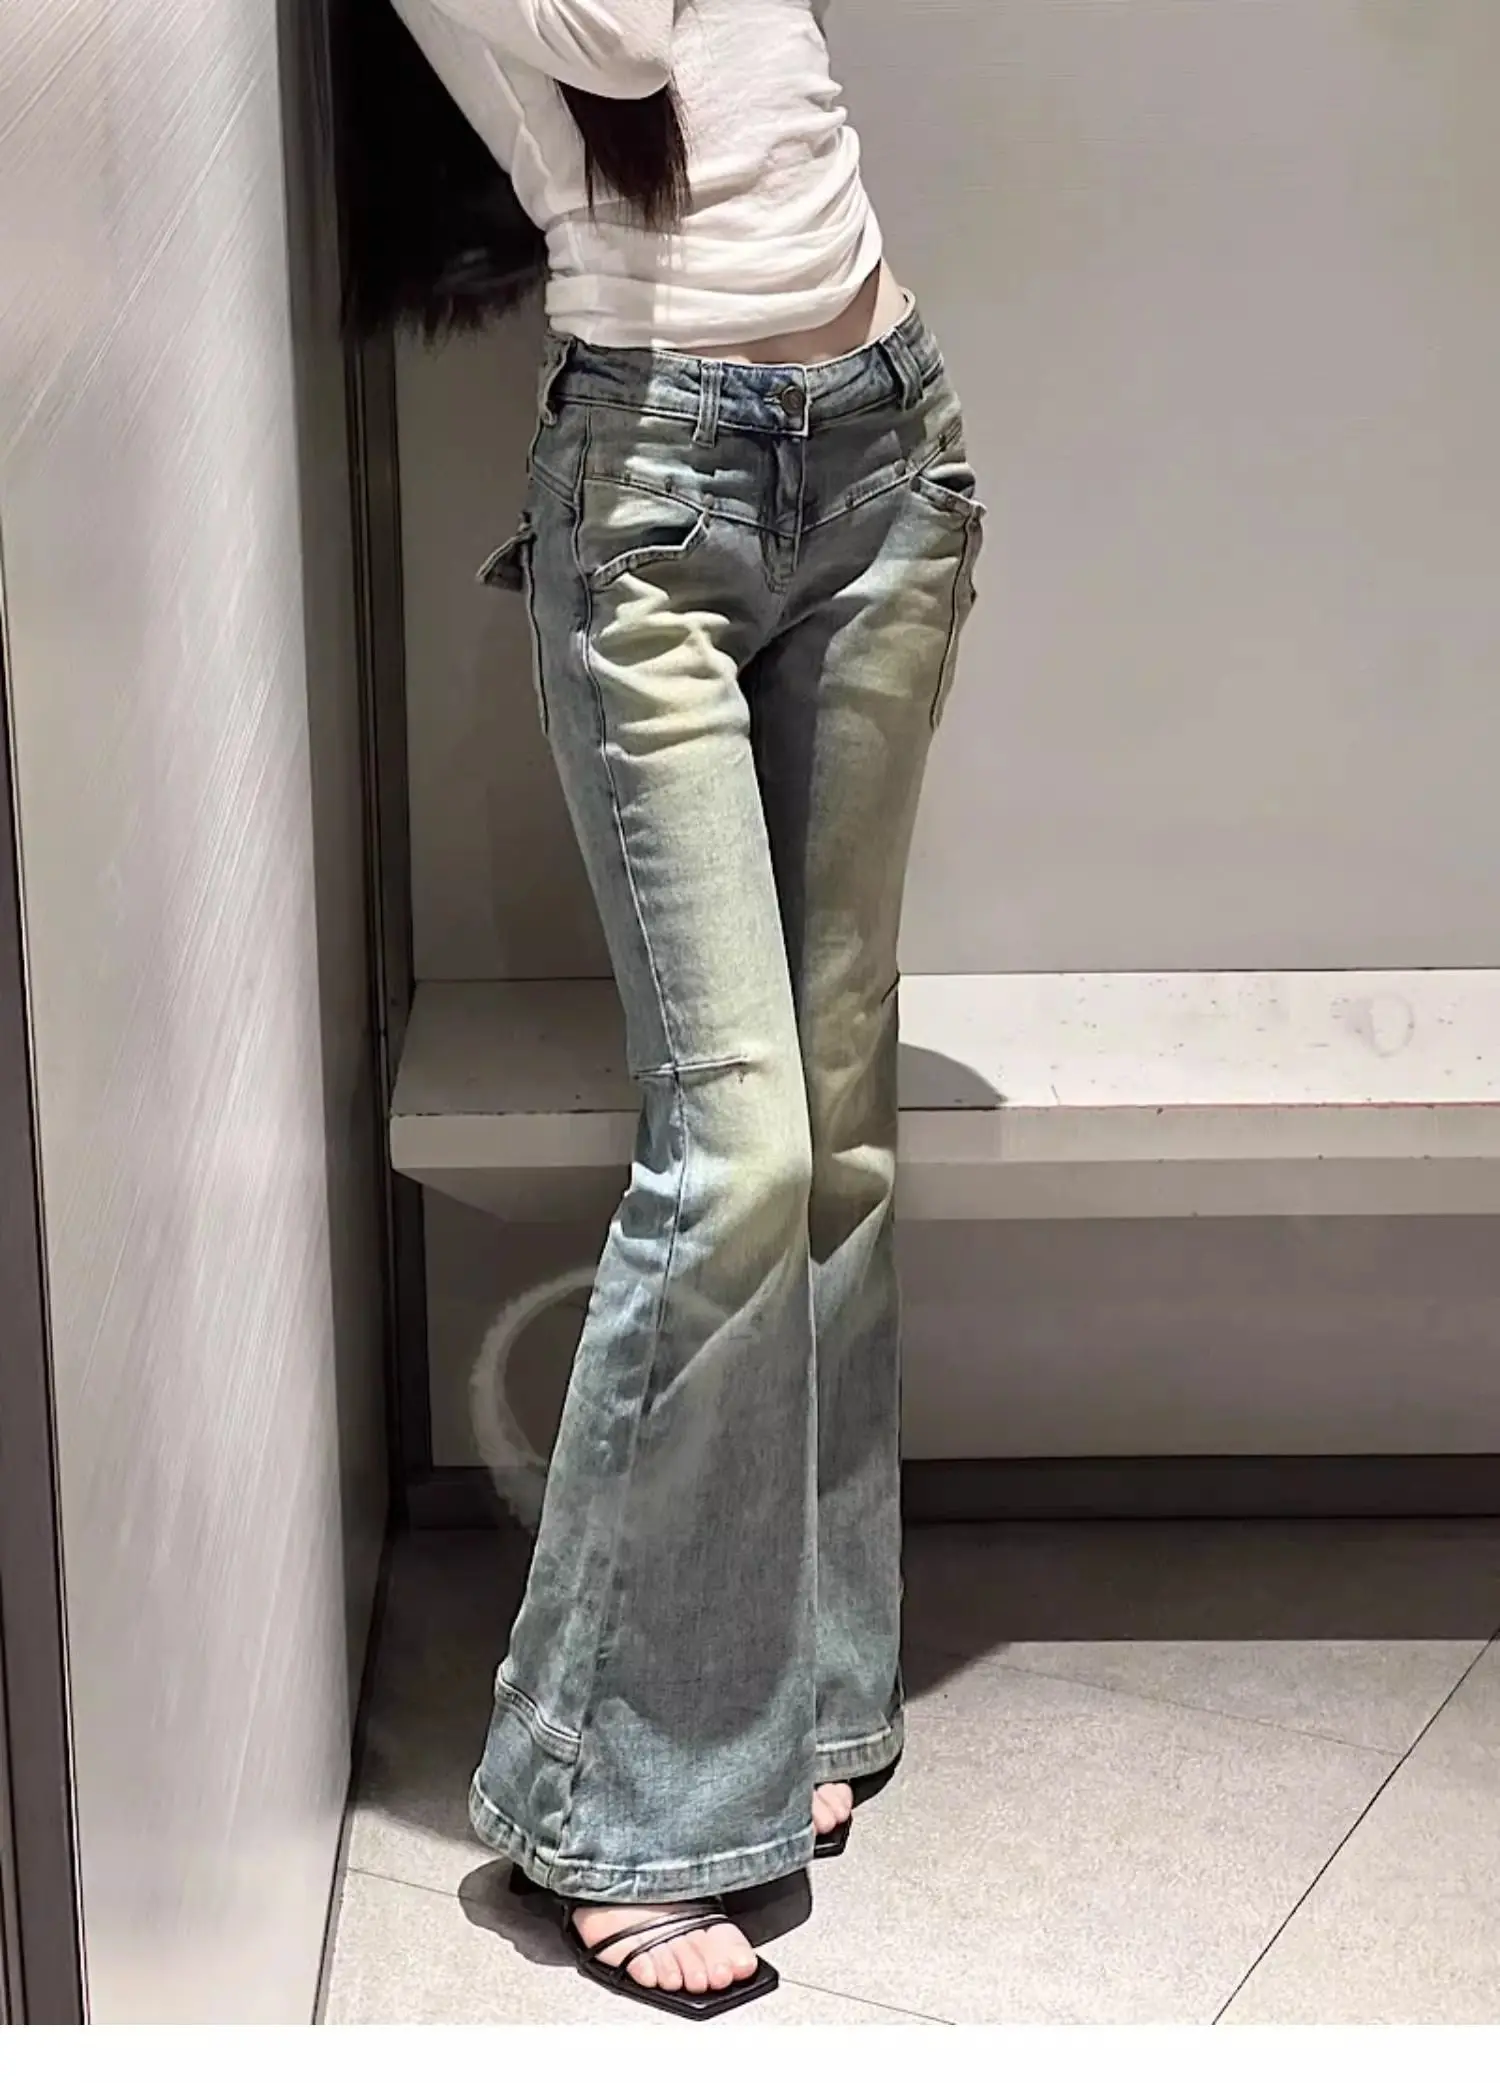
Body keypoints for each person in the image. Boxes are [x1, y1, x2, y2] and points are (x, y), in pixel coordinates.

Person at [348, 0, 985, 2020]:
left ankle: (798, 1688)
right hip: (653, 498)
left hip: (885, 443)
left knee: (841, 1121)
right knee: (742, 1155)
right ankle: (602, 1805)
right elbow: (616, 40)